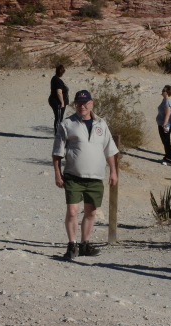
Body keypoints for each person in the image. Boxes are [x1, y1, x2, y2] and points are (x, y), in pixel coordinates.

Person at [52, 90, 118, 260]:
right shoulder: (67, 124)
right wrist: (57, 174)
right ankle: (72, 244)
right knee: (73, 211)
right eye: (79, 104)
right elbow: (57, 153)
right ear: (75, 105)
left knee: (91, 212)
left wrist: (113, 171)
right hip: (73, 176)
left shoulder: (101, 124)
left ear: (92, 103)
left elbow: (109, 150)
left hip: (95, 177)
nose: (83, 106)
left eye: (86, 103)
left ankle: (85, 244)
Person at [48, 64, 69, 135]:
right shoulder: (57, 80)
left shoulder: (55, 79)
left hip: (55, 101)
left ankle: (58, 133)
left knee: (59, 118)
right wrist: (62, 102)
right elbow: (59, 92)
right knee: (59, 118)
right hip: (57, 102)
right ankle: (57, 134)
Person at [156, 85, 171, 164]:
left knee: (166, 141)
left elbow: (168, 114)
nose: (162, 91)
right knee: (165, 141)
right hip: (162, 124)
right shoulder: (164, 100)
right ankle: (168, 156)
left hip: (166, 125)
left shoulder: (167, 101)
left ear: (167, 92)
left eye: (164, 90)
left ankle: (170, 157)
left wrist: (164, 124)